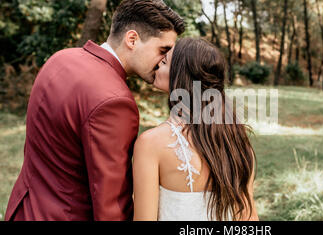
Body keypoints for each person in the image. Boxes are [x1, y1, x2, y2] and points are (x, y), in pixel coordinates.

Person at [4, 0, 184, 221]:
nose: (164, 61)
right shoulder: (115, 102)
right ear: (132, 39)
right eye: (162, 50)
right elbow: (111, 206)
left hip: (25, 210)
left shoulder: (60, 58)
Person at [133, 38, 259, 221]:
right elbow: (249, 218)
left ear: (181, 76)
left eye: (164, 62)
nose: (157, 64)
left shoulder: (151, 143)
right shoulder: (237, 142)